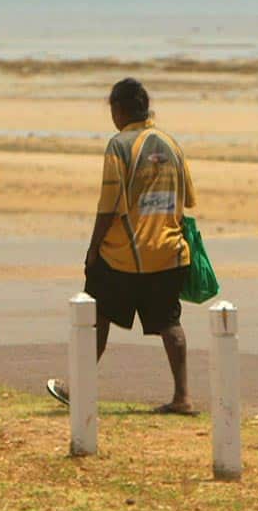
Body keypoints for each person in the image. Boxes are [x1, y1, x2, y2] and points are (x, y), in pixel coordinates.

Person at [45, 78, 198, 414]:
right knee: (170, 322)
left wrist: (93, 248)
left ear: (118, 109)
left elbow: (109, 204)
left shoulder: (119, 146)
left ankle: (78, 388)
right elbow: (188, 197)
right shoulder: (172, 145)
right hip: (169, 251)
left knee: (97, 315)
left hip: (124, 254)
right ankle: (183, 396)